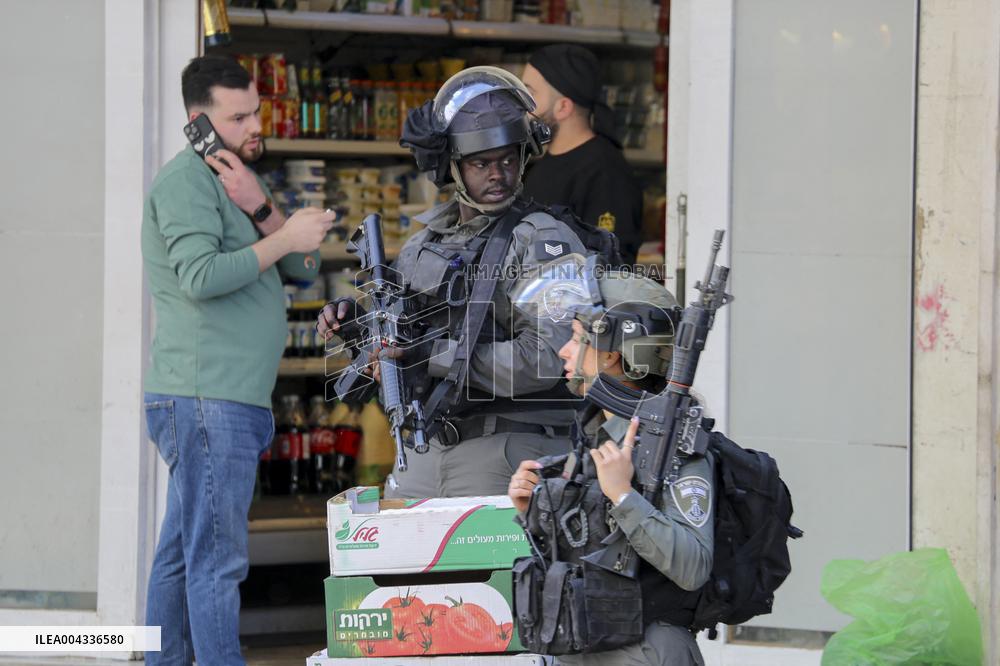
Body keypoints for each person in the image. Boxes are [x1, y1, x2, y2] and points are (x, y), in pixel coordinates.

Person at [141, 54, 335, 666]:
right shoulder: (184, 184)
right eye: (240, 116)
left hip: (226, 399)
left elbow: (306, 270)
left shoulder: (236, 180)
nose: (257, 125)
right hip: (205, 398)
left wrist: (259, 206)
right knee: (217, 560)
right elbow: (198, 276)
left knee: (184, 552)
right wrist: (280, 237)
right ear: (200, 120)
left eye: (258, 110)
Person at [317, 66, 588, 499]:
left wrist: (434, 355)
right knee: (400, 563)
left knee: (488, 569)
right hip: (426, 444)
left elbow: (546, 359)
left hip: (507, 447)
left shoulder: (544, 240)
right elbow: (405, 346)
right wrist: (360, 331)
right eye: (481, 163)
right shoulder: (425, 242)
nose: (497, 174)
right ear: (454, 167)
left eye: (508, 160)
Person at [508, 257, 713, 665]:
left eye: (577, 336)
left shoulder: (676, 448)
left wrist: (622, 495)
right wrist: (533, 511)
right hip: (582, 644)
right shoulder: (593, 435)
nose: (565, 350)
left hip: (648, 651)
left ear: (615, 354)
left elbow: (693, 567)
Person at [521, 43, 644, 265]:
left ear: (563, 108)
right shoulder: (540, 168)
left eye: (530, 94)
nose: (522, 107)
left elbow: (611, 268)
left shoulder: (606, 173)